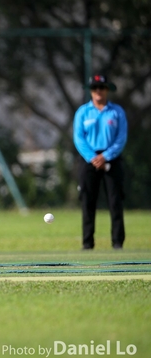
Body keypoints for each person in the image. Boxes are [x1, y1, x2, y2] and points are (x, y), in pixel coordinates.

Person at [73, 74, 127, 250]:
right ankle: (87, 243)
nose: (98, 91)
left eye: (101, 88)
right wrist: (93, 158)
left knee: (115, 201)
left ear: (107, 90)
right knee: (88, 201)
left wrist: (106, 156)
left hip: (112, 159)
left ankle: (117, 242)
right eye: (95, 88)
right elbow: (79, 138)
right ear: (91, 91)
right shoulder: (83, 112)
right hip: (89, 159)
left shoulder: (117, 112)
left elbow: (121, 138)